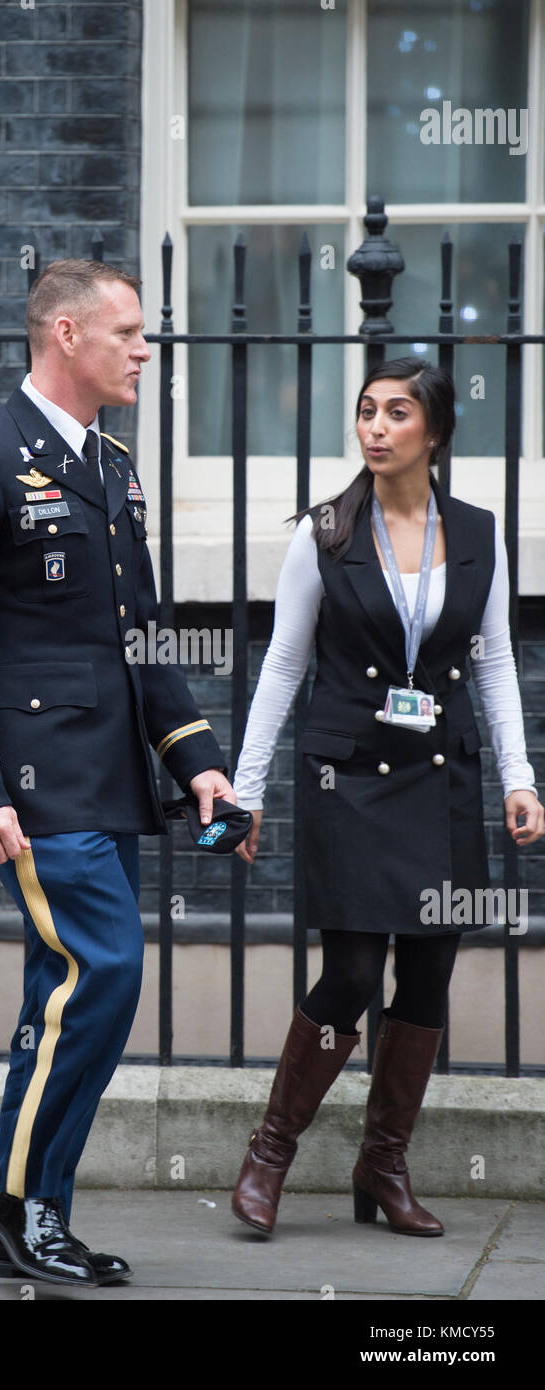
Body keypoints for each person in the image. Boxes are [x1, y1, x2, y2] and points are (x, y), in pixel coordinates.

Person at [0, 258, 234, 1288]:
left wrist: (199, 764)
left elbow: (140, 634)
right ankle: (23, 1211)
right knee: (105, 970)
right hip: (34, 783)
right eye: (129, 333)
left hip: (105, 777)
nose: (145, 351)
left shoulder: (114, 465)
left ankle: (18, 1219)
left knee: (67, 988)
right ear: (66, 337)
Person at [230, 357, 544, 1238]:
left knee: (431, 970)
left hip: (441, 780)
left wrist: (519, 778)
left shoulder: (479, 532)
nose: (374, 426)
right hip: (350, 780)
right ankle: (271, 1153)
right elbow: (284, 663)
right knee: (355, 971)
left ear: (434, 432)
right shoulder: (325, 531)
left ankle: (384, 1168)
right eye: (366, 411)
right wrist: (247, 791)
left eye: (395, 412)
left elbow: (493, 662)